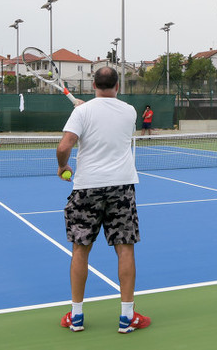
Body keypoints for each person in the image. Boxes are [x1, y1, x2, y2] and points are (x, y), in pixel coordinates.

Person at [56, 66, 150, 334]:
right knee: (125, 248)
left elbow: (65, 146)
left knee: (80, 249)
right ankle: (127, 317)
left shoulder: (82, 112)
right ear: (117, 86)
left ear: (93, 84)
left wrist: (63, 166)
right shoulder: (130, 111)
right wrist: (86, 111)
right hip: (121, 187)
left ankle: (76, 317)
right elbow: (108, 116)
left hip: (87, 188)